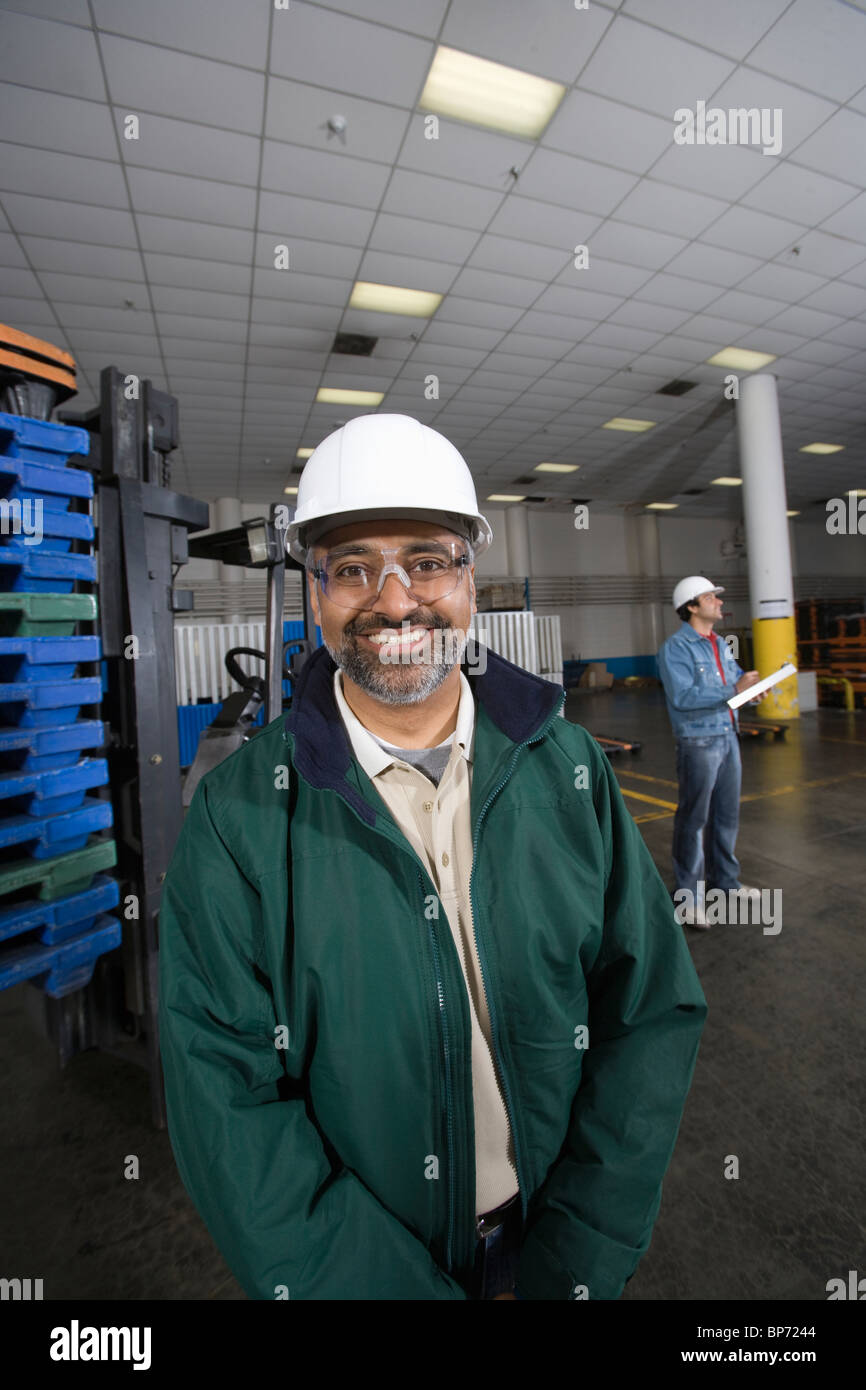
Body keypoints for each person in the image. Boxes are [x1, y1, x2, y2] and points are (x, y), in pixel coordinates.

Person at [158, 414, 707, 1301]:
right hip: (368, 1268)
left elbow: (648, 1013)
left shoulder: (566, 770)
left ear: (471, 580)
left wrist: (582, 1249)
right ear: (316, 593)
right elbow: (227, 1102)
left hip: (551, 1242)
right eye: (351, 567)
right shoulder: (238, 818)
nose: (395, 598)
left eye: (428, 559)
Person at [657, 578, 763, 929]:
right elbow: (683, 697)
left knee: (726, 815)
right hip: (699, 741)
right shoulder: (676, 649)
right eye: (710, 597)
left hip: (728, 735)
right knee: (694, 819)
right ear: (691, 606)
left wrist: (750, 692)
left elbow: (732, 688)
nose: (718, 602)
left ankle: (726, 883)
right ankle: (688, 899)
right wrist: (734, 687)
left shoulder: (720, 643)